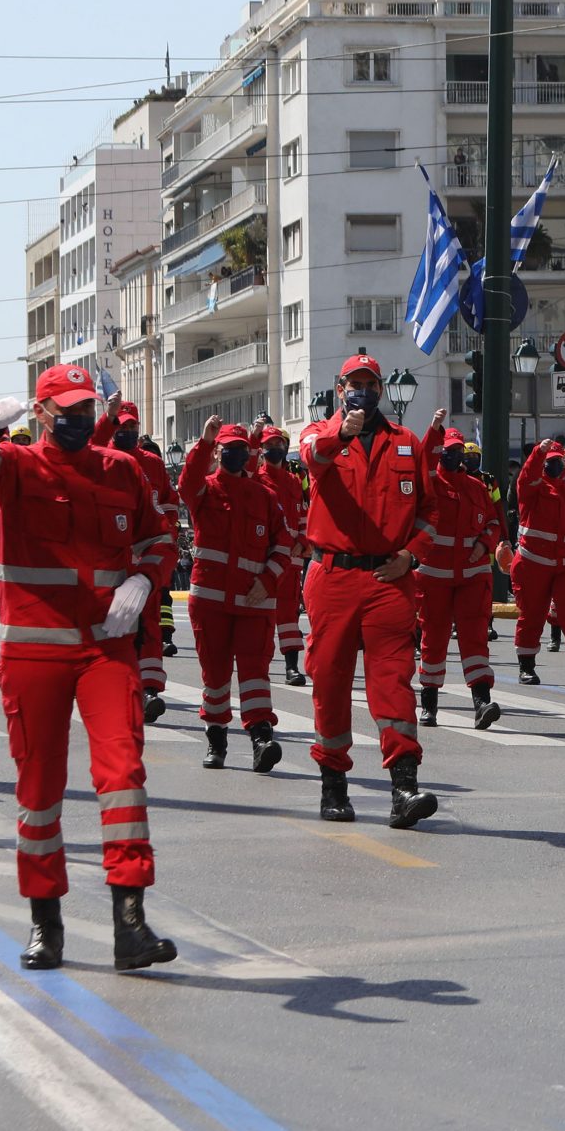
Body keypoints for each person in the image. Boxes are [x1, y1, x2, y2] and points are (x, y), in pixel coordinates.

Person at [0, 369, 180, 969]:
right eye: (68, 410)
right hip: (35, 652)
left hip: (106, 648)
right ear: (42, 412)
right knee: (39, 790)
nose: (80, 420)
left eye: (88, 409)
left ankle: (129, 924)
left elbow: (160, 539)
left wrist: (144, 577)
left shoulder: (121, 470)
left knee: (124, 773)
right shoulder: (17, 466)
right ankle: (45, 922)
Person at [297, 354, 438, 829]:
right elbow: (312, 458)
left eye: (369, 384)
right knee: (329, 682)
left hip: (389, 578)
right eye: (353, 384)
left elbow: (428, 511)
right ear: (339, 389)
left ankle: (404, 786)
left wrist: (411, 555)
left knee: (393, 679)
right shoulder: (320, 433)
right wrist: (344, 432)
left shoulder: (407, 443)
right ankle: (333, 785)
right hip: (333, 577)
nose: (362, 391)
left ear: (380, 390)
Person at [178, 417, 292, 772]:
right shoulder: (205, 491)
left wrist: (268, 581)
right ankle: (216, 739)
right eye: (229, 449)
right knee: (215, 675)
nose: (236, 455)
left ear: (249, 454)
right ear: (218, 452)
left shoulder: (265, 497)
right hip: (210, 602)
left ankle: (261, 738)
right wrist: (204, 442)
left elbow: (283, 545)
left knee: (256, 673)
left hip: (254, 603)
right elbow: (186, 483)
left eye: (242, 450)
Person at [412, 409, 504, 735]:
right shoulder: (429, 483)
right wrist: (434, 429)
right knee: (433, 638)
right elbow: (422, 461)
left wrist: (486, 544)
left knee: (475, 638)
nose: (452, 455)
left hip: (472, 574)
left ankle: (482, 703)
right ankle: (430, 703)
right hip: (434, 574)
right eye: (447, 450)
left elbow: (493, 522)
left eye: (457, 451)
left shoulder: (476, 487)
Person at [106, 402, 173, 723]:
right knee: (114, 628)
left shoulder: (154, 464)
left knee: (149, 625)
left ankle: (149, 691)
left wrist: (164, 539)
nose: (128, 432)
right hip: (109, 562)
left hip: (144, 561)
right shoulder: (98, 458)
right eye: (122, 426)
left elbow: (169, 504)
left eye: (132, 426)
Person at [509, 438, 565, 691]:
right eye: (549, 462)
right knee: (532, 615)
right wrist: (538, 453)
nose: (553, 465)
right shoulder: (532, 487)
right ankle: (527, 666)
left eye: (557, 461)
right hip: (533, 563)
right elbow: (527, 475)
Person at [254, 426, 309, 685]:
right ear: (262, 449)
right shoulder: (255, 479)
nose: (275, 449)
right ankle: (258, 663)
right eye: (270, 444)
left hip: (292, 560)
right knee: (261, 614)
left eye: (279, 444)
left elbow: (302, 517)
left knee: (288, 616)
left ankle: (291, 668)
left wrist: (302, 541)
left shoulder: (294, 482)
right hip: (263, 559)